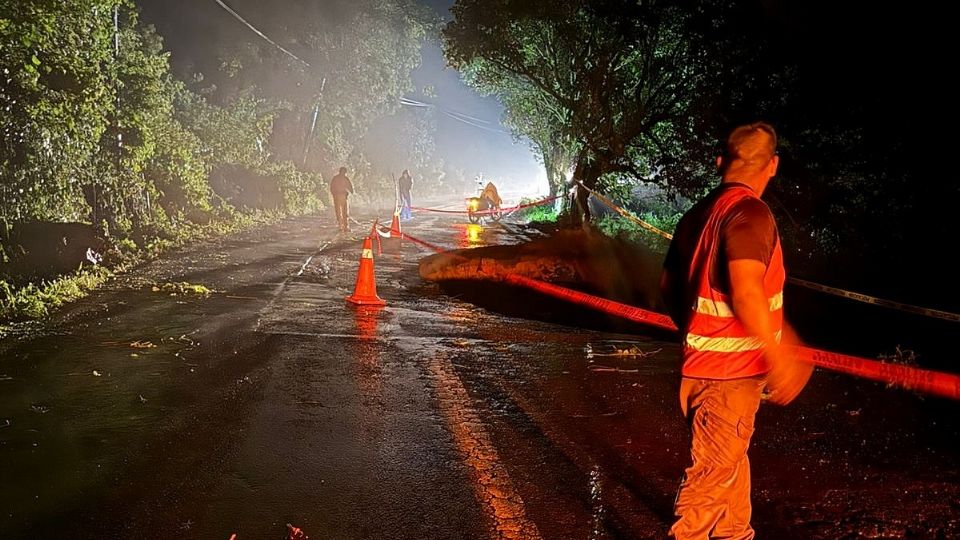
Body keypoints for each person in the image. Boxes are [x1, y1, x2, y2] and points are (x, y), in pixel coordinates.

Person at [660, 122, 812, 539]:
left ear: (720, 161)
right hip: (728, 380)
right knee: (706, 490)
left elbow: (667, 290)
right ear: (773, 165)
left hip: (704, 373)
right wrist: (784, 354)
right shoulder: (751, 213)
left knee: (729, 468)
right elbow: (746, 292)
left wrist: (700, 338)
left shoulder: (697, 215)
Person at [329, 166, 354, 232]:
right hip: (341, 196)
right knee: (343, 211)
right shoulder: (345, 178)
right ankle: (344, 226)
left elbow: (331, 188)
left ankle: (342, 226)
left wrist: (334, 194)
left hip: (338, 196)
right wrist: (350, 191)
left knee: (340, 211)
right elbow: (350, 188)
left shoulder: (336, 178)